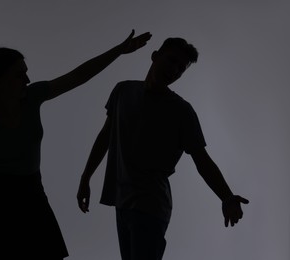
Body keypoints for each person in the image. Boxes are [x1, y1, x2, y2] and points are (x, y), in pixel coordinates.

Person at [0, 30, 151, 260]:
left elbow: (78, 76)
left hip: (32, 190)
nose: (27, 80)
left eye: (26, 74)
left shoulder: (32, 97)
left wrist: (118, 51)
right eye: (19, 75)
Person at [77, 37, 249, 260]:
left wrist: (226, 196)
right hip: (122, 202)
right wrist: (85, 177)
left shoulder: (182, 111)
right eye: (172, 61)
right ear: (155, 56)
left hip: (151, 205)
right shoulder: (123, 90)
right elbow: (105, 136)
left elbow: (201, 159)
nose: (174, 70)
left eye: (181, 68)